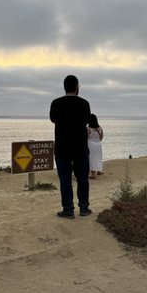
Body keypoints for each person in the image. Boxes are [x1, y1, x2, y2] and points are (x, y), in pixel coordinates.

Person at [50, 75, 92, 219]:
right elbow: (87, 120)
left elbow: (53, 119)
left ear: (64, 86)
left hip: (62, 147)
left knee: (65, 178)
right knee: (82, 178)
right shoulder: (84, 103)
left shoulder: (56, 103)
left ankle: (68, 209)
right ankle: (84, 208)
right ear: (77, 87)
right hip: (80, 147)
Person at [87, 114, 104, 179]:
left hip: (91, 144)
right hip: (98, 144)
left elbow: (87, 137)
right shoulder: (100, 128)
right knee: (98, 157)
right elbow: (101, 137)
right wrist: (97, 141)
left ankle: (93, 174)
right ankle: (99, 171)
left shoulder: (88, 128)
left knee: (91, 158)